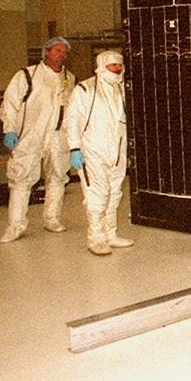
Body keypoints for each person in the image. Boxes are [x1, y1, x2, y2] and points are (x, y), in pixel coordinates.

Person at [0, 36, 76, 243]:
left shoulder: (70, 77)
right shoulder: (27, 75)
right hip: (30, 135)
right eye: (57, 50)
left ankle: (52, 218)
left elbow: (71, 110)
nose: (61, 55)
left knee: (58, 177)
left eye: (64, 52)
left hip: (58, 136)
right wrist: (9, 129)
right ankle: (16, 226)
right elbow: (10, 104)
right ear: (46, 52)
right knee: (21, 180)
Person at [65, 50, 130, 255]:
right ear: (102, 66)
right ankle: (96, 238)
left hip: (118, 150)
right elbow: (72, 120)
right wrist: (74, 147)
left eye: (119, 65)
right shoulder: (85, 89)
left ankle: (111, 234)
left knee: (114, 192)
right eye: (112, 66)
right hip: (93, 151)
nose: (117, 69)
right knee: (97, 195)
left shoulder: (122, 89)